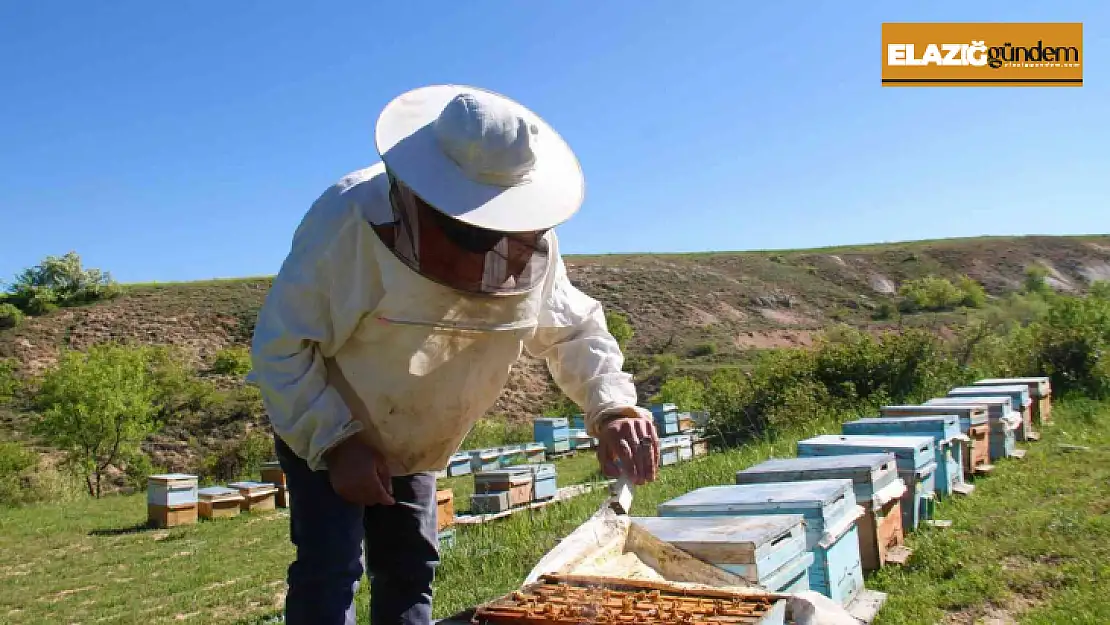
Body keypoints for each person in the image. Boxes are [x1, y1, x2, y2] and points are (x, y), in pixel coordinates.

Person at [248, 84, 660, 625]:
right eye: (470, 229)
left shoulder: (532, 242)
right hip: (328, 422)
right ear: (421, 193)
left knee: (411, 566)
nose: (489, 244)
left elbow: (572, 329)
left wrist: (612, 408)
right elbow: (281, 347)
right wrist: (335, 441)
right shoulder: (346, 221)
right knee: (331, 569)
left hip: (418, 437)